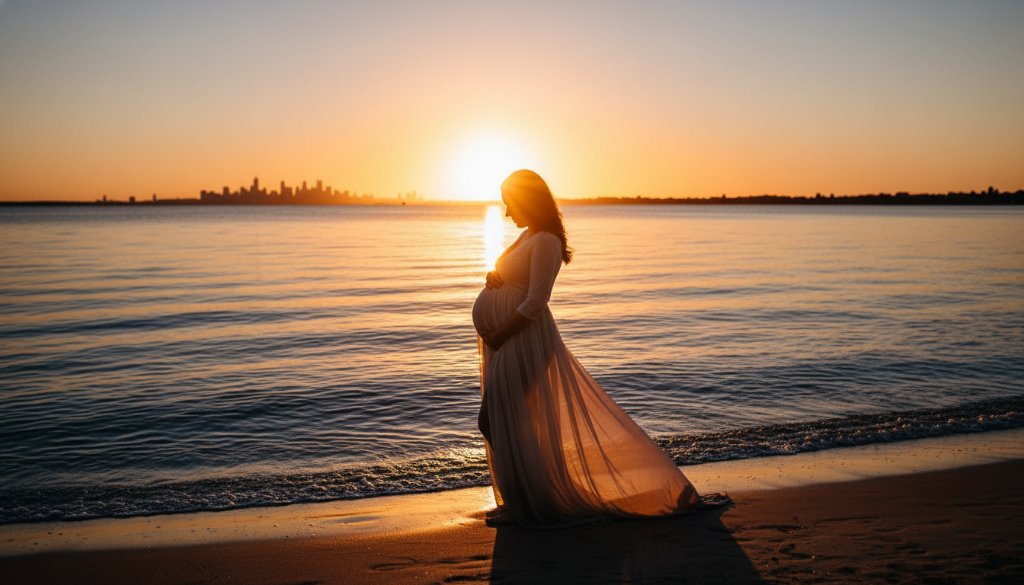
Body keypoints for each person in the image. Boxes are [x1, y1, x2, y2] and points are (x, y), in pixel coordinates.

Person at [472, 169, 703, 527]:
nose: (506, 212)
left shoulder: (546, 240)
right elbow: (517, 279)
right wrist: (495, 276)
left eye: (510, 203)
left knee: (496, 419)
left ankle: (531, 504)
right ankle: (525, 501)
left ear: (527, 200)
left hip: (523, 340)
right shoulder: (528, 236)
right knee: (506, 420)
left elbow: (537, 300)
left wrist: (501, 333)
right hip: (509, 341)